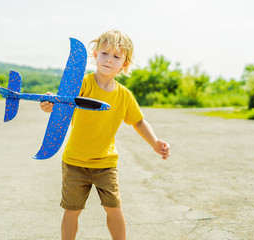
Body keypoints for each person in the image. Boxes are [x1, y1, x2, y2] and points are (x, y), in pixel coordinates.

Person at [40, 30, 170, 240]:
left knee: (114, 208)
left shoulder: (124, 95)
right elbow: (62, 101)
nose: (109, 60)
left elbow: (138, 120)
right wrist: (50, 103)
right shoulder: (82, 84)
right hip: (74, 161)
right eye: (104, 54)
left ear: (124, 65)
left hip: (105, 163)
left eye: (116, 56)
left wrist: (154, 142)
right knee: (72, 211)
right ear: (95, 55)